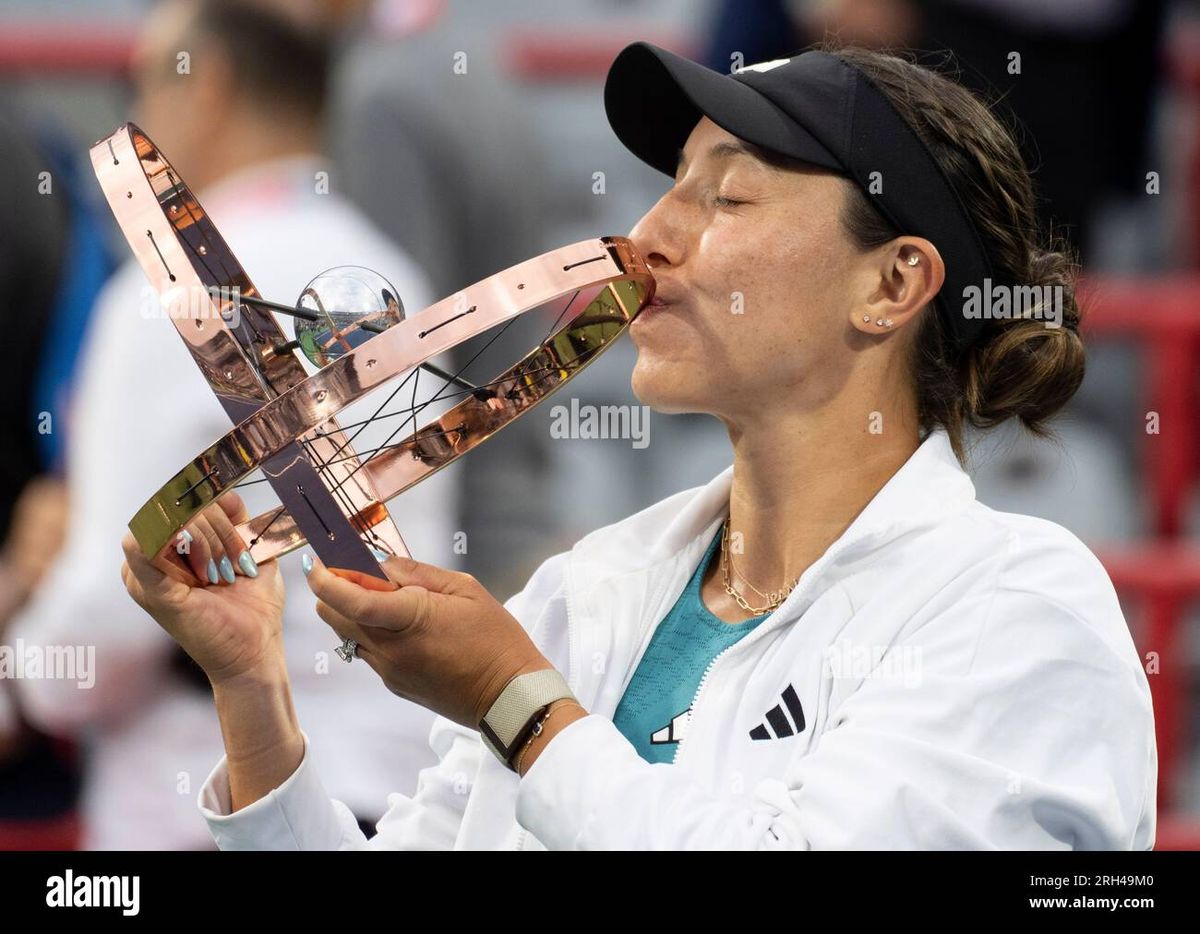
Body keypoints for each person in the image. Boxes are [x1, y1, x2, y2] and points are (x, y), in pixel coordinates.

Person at [121, 40, 1156, 850]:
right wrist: (253, 692)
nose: (648, 234)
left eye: (731, 194)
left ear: (892, 284)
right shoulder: (589, 590)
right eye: (671, 182)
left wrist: (516, 701)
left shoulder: (1020, 611)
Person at [12, 0, 453, 848]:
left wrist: (27, 670)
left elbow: (109, 612)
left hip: (213, 807)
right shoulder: (394, 277)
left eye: (137, 81)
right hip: (395, 792)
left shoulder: (163, 299)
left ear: (205, 82)